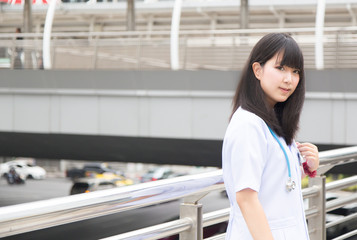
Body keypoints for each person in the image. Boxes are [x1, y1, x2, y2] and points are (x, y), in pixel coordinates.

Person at [222, 33, 320, 240]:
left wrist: (305, 167)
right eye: (280, 68)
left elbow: (273, 183)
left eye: (295, 71)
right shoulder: (248, 125)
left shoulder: (272, 122)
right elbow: (246, 197)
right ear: (257, 70)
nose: (289, 79)